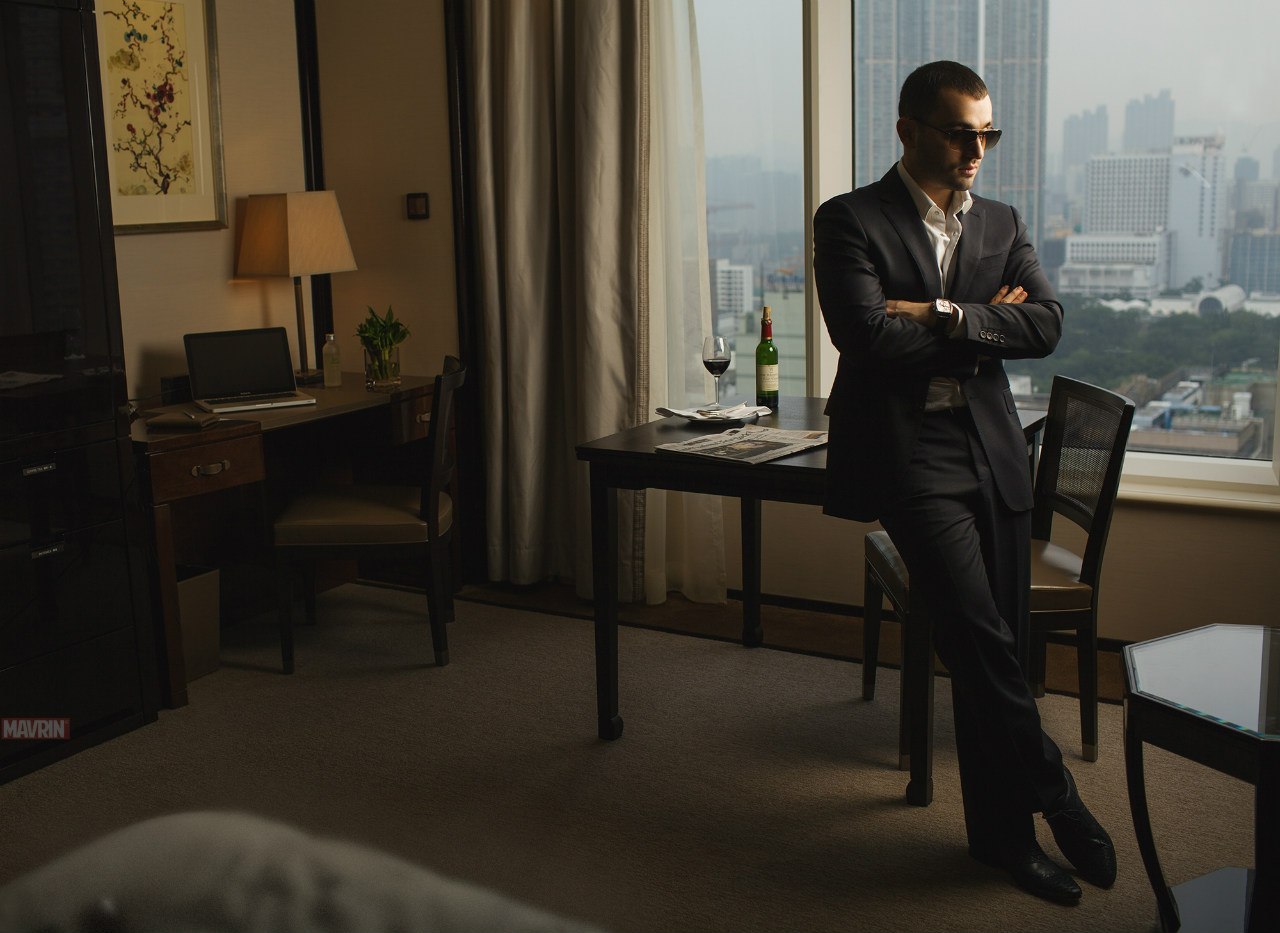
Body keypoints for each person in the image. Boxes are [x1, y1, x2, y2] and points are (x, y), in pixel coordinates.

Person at [812, 60, 1116, 906]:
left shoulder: (1002, 221)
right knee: (977, 636)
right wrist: (987, 326)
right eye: (958, 133)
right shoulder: (850, 219)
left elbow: (1045, 325)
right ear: (907, 130)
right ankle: (1056, 793)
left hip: (994, 451)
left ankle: (999, 837)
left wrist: (937, 314)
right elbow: (865, 337)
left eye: (987, 133)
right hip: (912, 457)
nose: (976, 150)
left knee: (1000, 647)